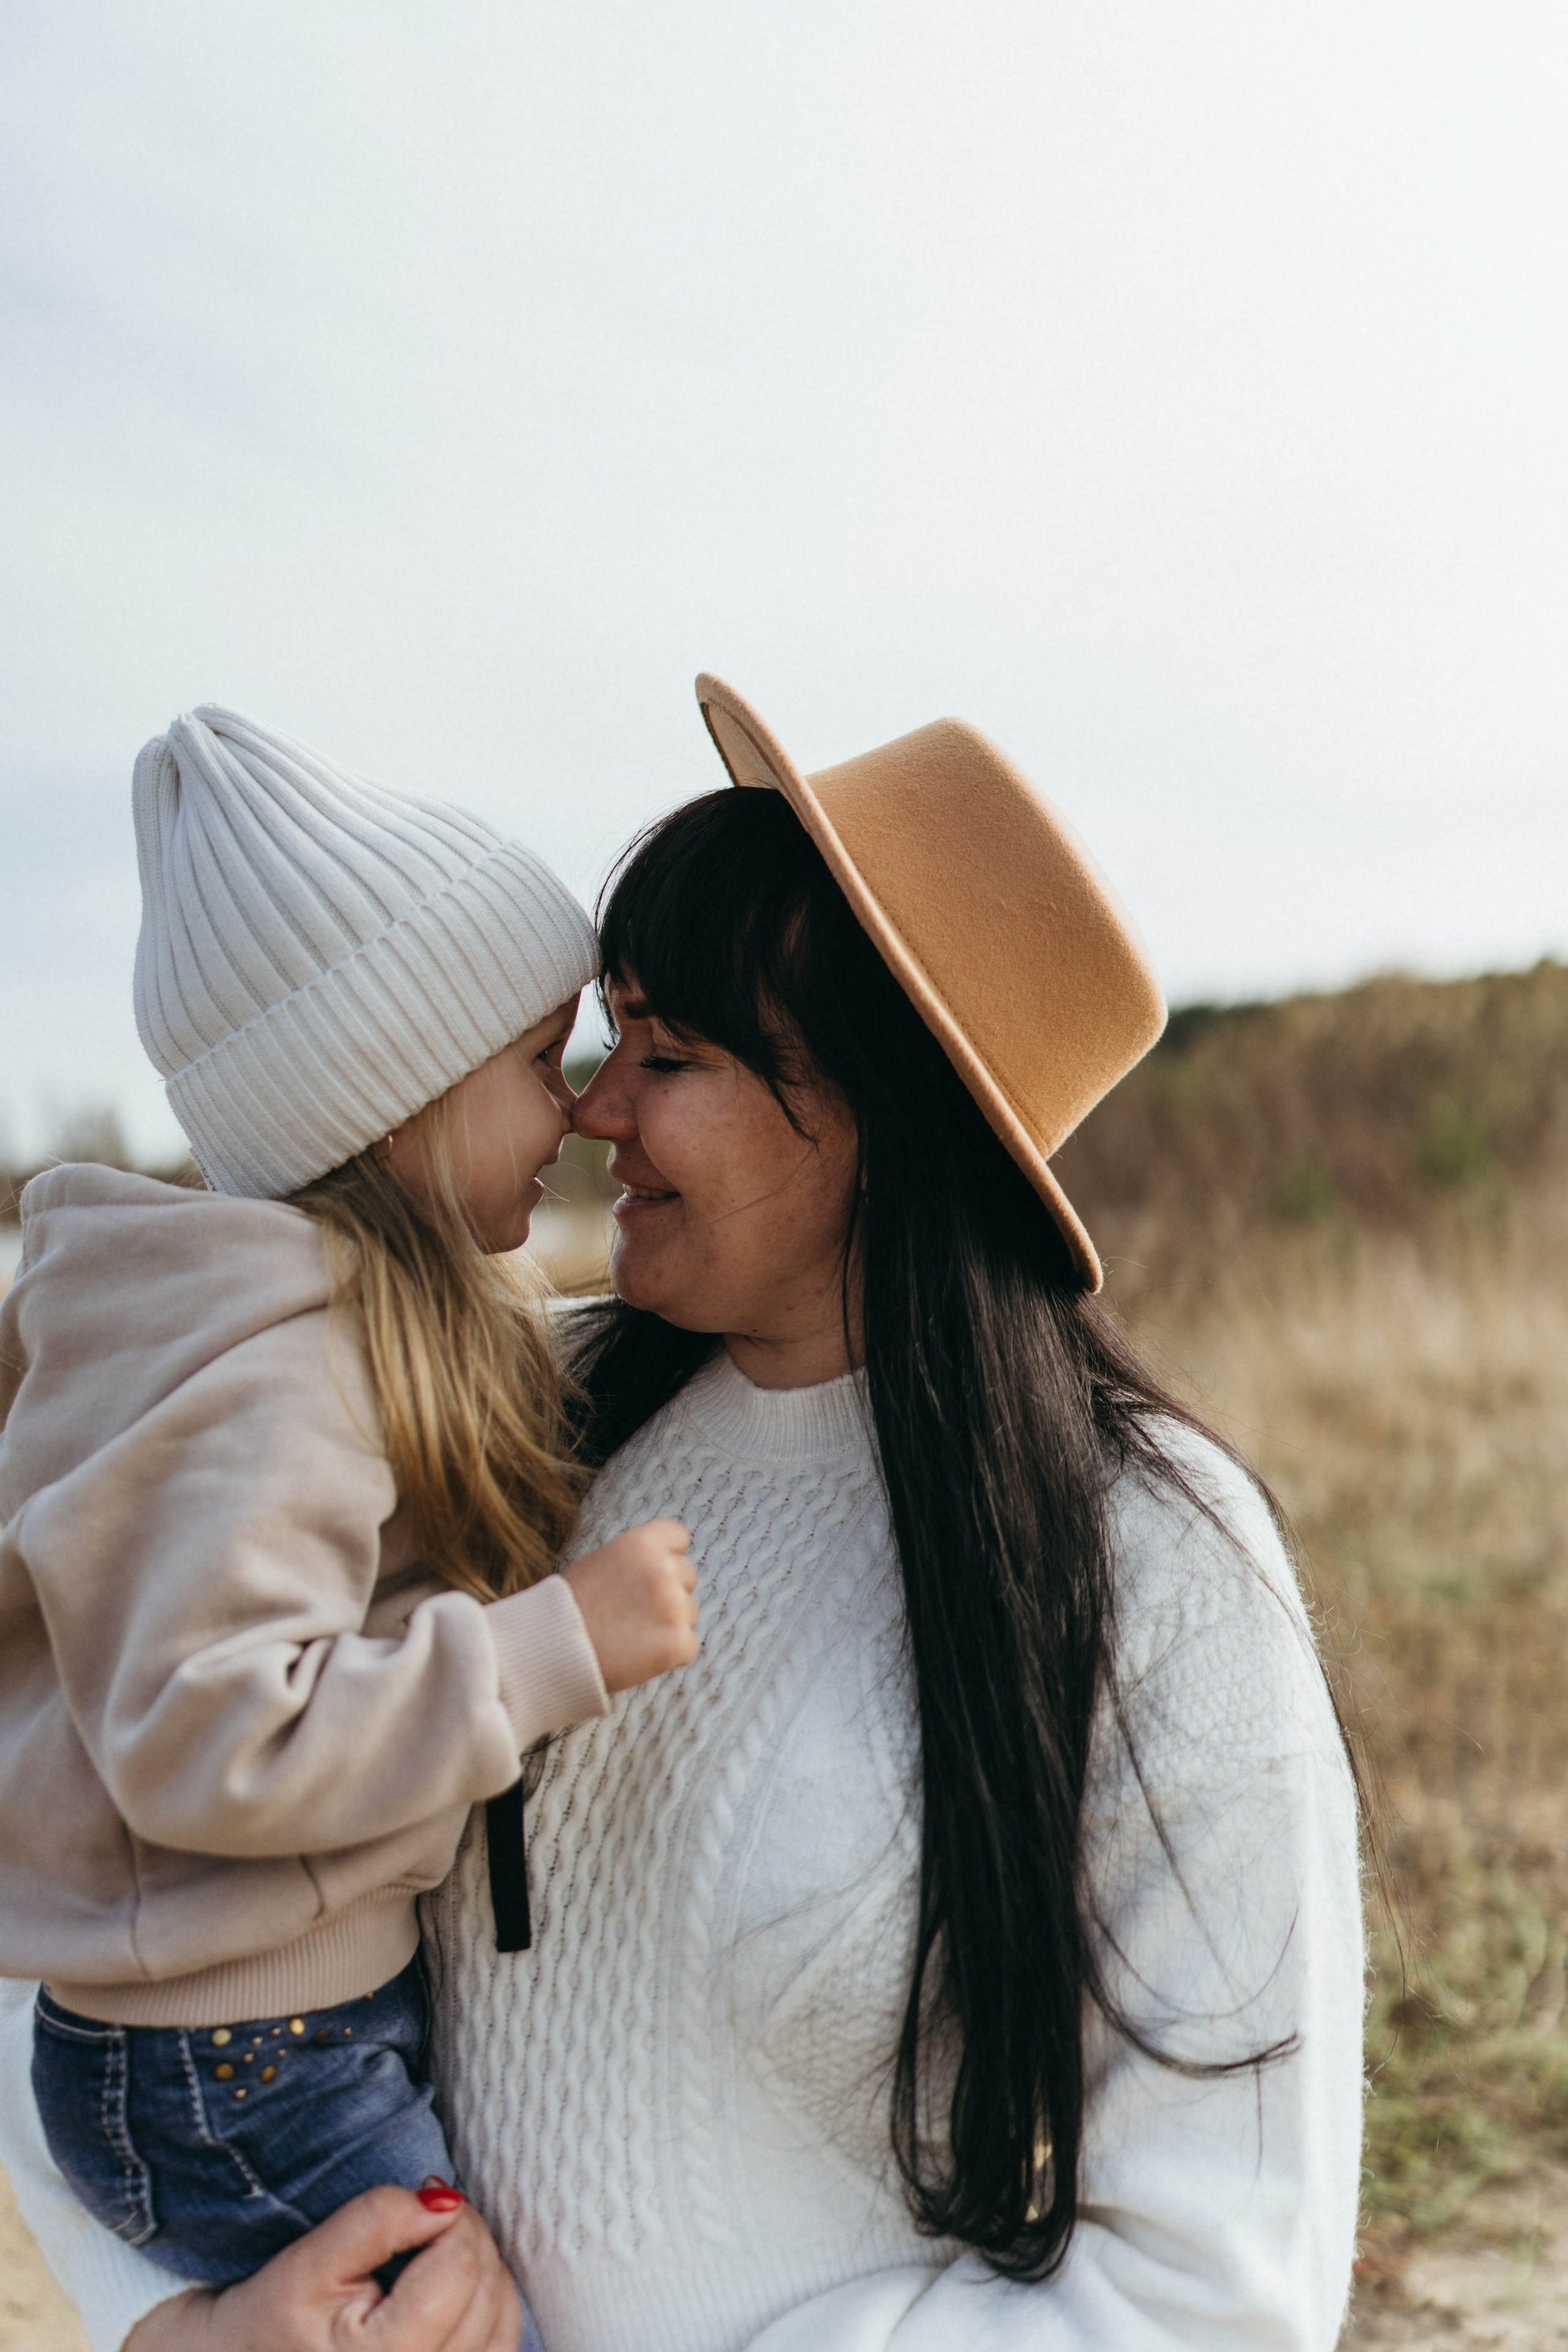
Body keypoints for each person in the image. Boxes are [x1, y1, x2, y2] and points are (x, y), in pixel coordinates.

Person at [0, 677, 1362, 2351]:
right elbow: (128, 1919)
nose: (590, 1108)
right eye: (603, 1037)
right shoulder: (505, 1425)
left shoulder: (1151, 1559)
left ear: (890, 1113)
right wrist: (179, 2332)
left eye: (671, 1053)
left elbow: (1214, 2295)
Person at [0, 710, 698, 2312]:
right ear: (398, 1093)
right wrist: (547, 1649)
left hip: (249, 2034)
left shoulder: (323, 1329)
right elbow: (211, 1730)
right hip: (230, 2061)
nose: (581, 1107)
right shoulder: (273, 1379)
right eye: (541, 1063)